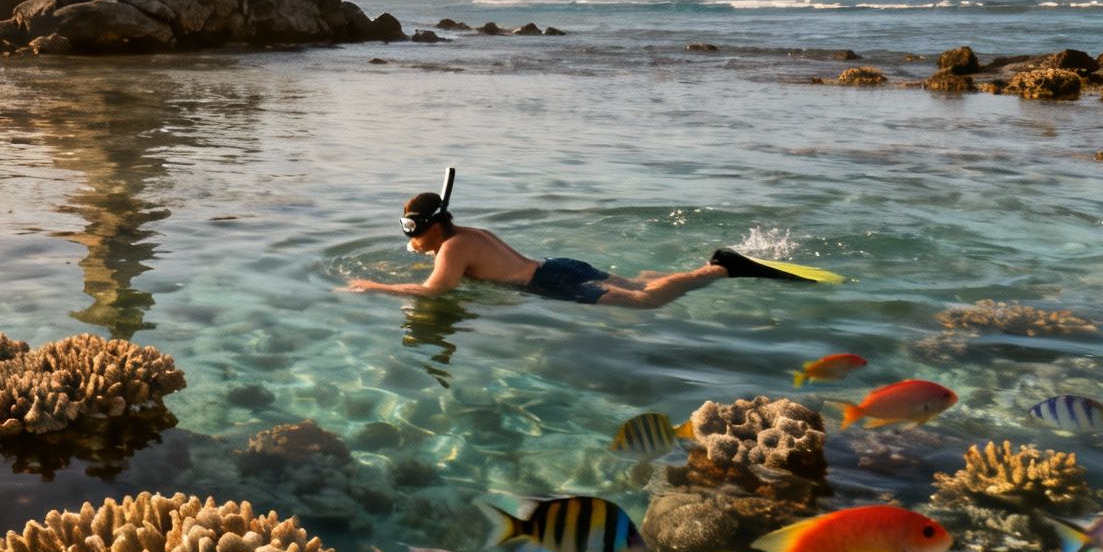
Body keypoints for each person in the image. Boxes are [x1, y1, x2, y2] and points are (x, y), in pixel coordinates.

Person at [341, 190, 818, 310]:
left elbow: (432, 294)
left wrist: (375, 286)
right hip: (557, 264)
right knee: (637, 284)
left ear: (430, 226)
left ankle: (719, 269)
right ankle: (706, 267)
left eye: (411, 231)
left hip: (549, 283)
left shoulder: (450, 250)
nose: (409, 241)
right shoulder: (467, 235)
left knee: (644, 303)